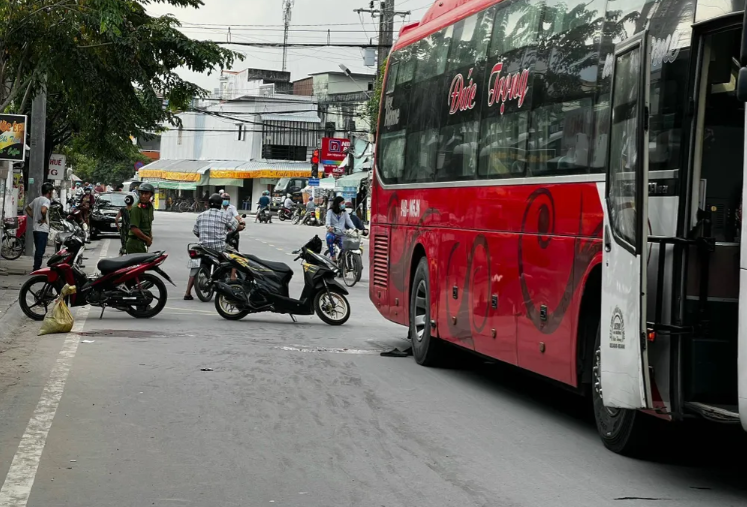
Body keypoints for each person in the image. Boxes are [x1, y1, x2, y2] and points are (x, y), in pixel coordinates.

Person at [184, 193, 239, 300]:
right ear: (221, 204)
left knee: (194, 266)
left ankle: (187, 292)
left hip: (203, 248)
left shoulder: (201, 215)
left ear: (209, 204)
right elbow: (235, 226)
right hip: (219, 249)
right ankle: (232, 278)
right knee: (236, 255)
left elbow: (196, 231)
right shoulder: (224, 215)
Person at [25, 183, 54, 271]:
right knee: (40, 250)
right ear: (49, 191)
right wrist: (43, 218)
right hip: (42, 229)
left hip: (36, 229)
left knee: (38, 249)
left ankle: (36, 266)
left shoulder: (36, 199)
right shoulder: (46, 200)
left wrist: (34, 217)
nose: (52, 193)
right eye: (52, 191)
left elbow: (27, 209)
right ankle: (36, 268)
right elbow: (43, 210)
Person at [126, 183, 155, 254]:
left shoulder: (150, 207)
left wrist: (150, 237)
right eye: (142, 193)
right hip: (135, 243)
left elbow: (149, 224)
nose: (143, 196)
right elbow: (134, 229)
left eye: (146, 194)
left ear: (151, 195)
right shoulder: (136, 208)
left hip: (143, 243)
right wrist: (147, 239)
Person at [325, 196, 355, 261]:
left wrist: (354, 228)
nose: (344, 204)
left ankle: (342, 260)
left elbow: (349, 221)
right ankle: (333, 256)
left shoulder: (344, 212)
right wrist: (329, 227)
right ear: (338, 203)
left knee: (345, 246)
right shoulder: (330, 211)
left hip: (342, 233)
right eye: (342, 203)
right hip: (333, 232)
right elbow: (327, 221)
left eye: (344, 203)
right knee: (329, 238)